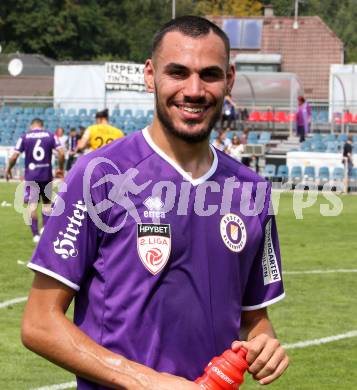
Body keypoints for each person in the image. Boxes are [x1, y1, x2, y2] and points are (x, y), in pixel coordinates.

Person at [21, 16, 288, 389]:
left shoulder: (252, 191)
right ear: (150, 75)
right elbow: (39, 323)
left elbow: (253, 318)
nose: (193, 90)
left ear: (229, 79)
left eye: (209, 75)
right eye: (177, 72)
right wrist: (147, 382)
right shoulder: (100, 175)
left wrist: (264, 344)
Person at [6, 118, 64, 242]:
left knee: (32, 205)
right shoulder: (50, 135)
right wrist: (61, 168)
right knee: (47, 204)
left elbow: (15, 156)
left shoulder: (24, 136)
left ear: (31, 125)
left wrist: (9, 169)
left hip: (31, 176)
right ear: (42, 125)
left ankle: (36, 235)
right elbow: (61, 153)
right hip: (46, 175)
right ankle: (45, 230)